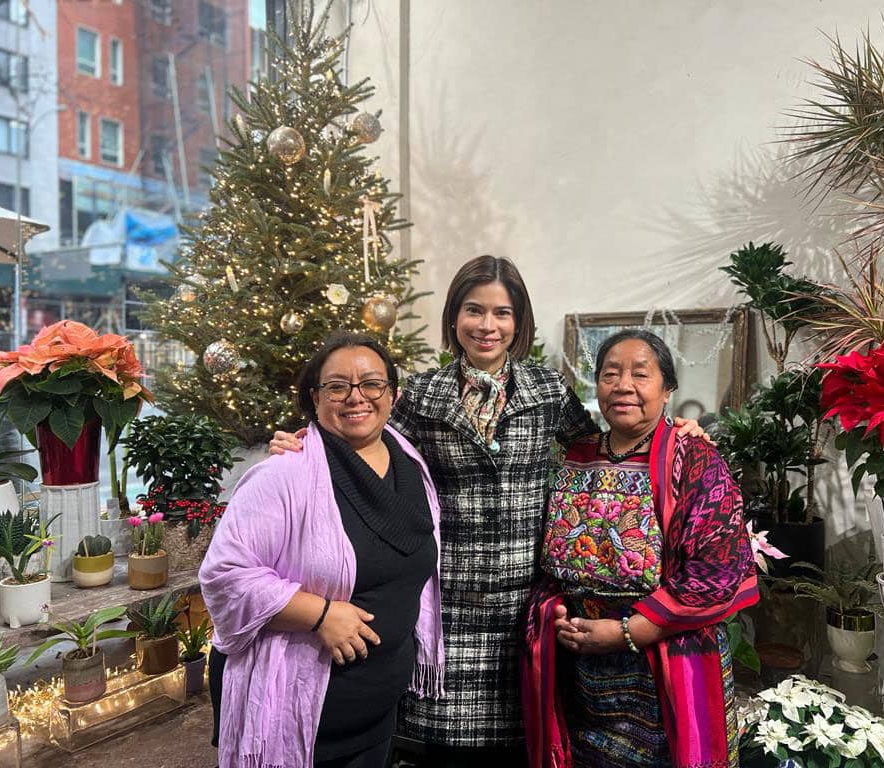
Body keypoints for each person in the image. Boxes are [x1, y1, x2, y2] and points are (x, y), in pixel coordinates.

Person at [270, 255, 706, 766]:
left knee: (522, 743)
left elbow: (601, 447)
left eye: (502, 313)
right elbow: (366, 438)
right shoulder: (423, 395)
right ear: (454, 317)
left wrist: (674, 432)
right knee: (439, 751)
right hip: (444, 604)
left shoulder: (545, 391)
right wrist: (310, 440)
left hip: (524, 607)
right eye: (474, 310)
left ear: (518, 321)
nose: (487, 325)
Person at [200, 332, 444, 768]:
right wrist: (320, 614)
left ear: (393, 394)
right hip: (297, 713)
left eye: (371, 383)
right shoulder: (283, 475)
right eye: (336, 386)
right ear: (314, 399)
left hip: (377, 711)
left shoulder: (410, 463)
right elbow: (225, 576)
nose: (356, 397)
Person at [522, 329, 759, 768]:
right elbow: (551, 556)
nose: (623, 385)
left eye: (640, 374)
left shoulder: (694, 459)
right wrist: (554, 609)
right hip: (582, 673)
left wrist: (632, 631)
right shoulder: (576, 455)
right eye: (610, 373)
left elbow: (718, 571)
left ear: (667, 390)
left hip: (663, 667)